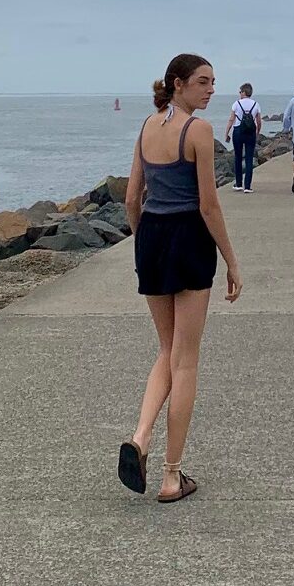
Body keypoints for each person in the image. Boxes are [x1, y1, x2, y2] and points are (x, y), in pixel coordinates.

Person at [118, 53, 242, 503]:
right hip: (189, 237)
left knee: (166, 349)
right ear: (178, 83)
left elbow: (132, 198)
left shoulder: (147, 127)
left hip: (152, 236)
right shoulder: (199, 130)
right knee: (185, 359)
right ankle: (171, 475)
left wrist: (144, 241)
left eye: (213, 82)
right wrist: (231, 261)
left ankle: (141, 436)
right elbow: (209, 204)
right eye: (203, 82)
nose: (211, 90)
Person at [223, 82, 262, 193]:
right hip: (250, 132)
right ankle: (248, 186)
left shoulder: (236, 104)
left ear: (244, 92)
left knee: (238, 157)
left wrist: (227, 133)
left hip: (238, 131)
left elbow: (231, 119)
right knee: (249, 158)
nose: (239, 93)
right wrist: (257, 132)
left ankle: (239, 184)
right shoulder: (256, 104)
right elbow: (259, 121)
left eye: (240, 91)